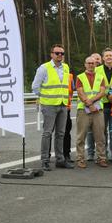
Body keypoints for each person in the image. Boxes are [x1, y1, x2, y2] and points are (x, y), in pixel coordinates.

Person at [32, 43, 73, 171]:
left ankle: (60, 159)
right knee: (47, 133)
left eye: (62, 53)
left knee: (61, 133)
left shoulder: (65, 67)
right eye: (57, 53)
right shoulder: (44, 68)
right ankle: (45, 160)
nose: (60, 55)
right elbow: (35, 87)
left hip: (63, 104)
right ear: (52, 54)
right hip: (49, 105)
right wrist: (45, 99)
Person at [75, 56, 108, 168]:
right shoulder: (80, 77)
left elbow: (102, 92)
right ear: (85, 64)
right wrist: (88, 104)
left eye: (93, 63)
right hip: (83, 110)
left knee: (100, 136)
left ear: (96, 64)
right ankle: (80, 159)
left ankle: (101, 158)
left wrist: (92, 102)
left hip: (97, 110)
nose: (91, 65)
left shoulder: (100, 77)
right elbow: (80, 91)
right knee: (81, 136)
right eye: (88, 63)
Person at [95, 47, 112, 161]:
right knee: (101, 131)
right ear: (103, 58)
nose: (109, 57)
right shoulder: (97, 70)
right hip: (102, 104)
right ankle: (102, 155)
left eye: (111, 55)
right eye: (107, 55)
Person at [85, 52, 103, 161]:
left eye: (97, 59)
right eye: (93, 59)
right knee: (89, 132)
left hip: (100, 104)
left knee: (100, 132)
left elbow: (102, 89)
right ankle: (90, 153)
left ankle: (102, 155)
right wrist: (89, 103)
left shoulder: (100, 72)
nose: (95, 61)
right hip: (87, 106)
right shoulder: (84, 74)